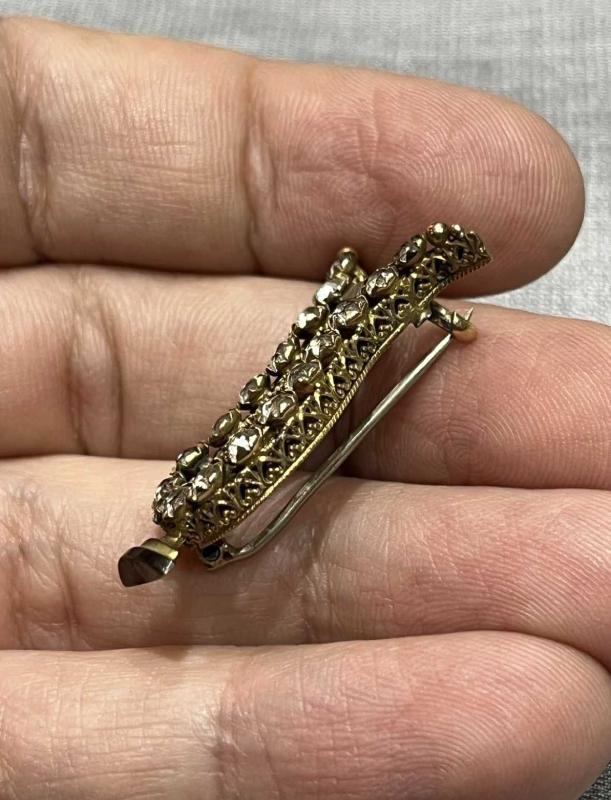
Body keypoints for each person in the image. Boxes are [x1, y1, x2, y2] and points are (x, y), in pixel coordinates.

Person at [0, 16, 609, 800]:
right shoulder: (190, 513)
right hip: (305, 397)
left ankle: (406, 296)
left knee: (330, 363)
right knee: (325, 367)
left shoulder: (186, 510)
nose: (155, 561)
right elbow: (261, 448)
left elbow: (269, 435)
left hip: (314, 385)